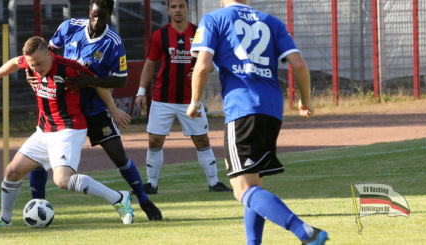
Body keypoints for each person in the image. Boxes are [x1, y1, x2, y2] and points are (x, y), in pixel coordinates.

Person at [187, 1, 328, 244]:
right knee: (253, 182)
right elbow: (299, 64)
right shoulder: (272, 22)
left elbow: (203, 65)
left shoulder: (215, 18)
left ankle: (304, 231)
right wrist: (306, 100)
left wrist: (194, 101)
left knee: (242, 189)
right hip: (272, 109)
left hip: (242, 108)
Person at [27, 0, 162, 220]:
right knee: (41, 155)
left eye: (102, 17)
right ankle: (38, 206)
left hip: (94, 109)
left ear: (110, 14)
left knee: (119, 156)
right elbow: (46, 53)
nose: (97, 21)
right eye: (94, 15)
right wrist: (30, 71)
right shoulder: (69, 27)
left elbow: (121, 80)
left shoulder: (113, 42)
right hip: (64, 111)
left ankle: (144, 199)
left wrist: (88, 81)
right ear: (89, 11)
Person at [0, 36, 134, 227]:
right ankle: (5, 219)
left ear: (48, 53)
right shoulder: (30, 64)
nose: (35, 69)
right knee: (12, 171)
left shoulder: (68, 68)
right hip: (44, 130)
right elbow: (13, 62)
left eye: (38, 64)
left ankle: (119, 198)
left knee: (62, 179)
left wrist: (113, 109)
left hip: (69, 129)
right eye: (31, 65)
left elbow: (97, 84)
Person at [135, 0, 231, 194]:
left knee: (202, 140)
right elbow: (150, 64)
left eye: (181, 6)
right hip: (162, 99)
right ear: (169, 9)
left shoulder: (199, 32)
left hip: (191, 99)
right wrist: (141, 91)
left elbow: (212, 61)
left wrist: (202, 70)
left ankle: (214, 183)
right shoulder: (159, 35)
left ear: (187, 8)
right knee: (154, 140)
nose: (177, 10)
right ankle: (151, 185)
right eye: (174, 6)